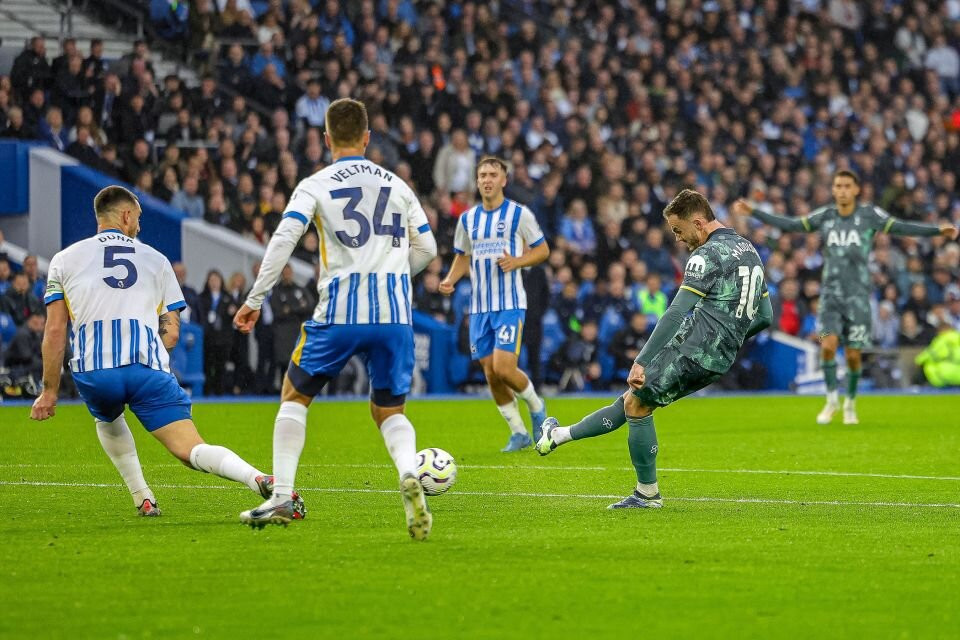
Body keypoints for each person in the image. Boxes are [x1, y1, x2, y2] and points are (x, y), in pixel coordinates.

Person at [233, 98, 438, 538]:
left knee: (294, 394)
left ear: (326, 139)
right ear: (367, 138)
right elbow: (429, 250)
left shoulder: (315, 184)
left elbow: (284, 239)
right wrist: (391, 274)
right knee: (388, 409)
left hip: (341, 309)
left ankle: (284, 494)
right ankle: (408, 470)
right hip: (394, 314)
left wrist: (255, 298)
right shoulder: (398, 184)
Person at [30, 186, 294, 518]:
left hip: (97, 371)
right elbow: (170, 331)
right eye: (138, 218)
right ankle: (256, 477)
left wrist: (49, 392)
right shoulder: (156, 259)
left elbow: (55, 331)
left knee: (107, 415)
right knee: (190, 449)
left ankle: (143, 496)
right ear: (126, 216)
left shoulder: (64, 260)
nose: (139, 225)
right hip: (147, 370)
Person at [536, 189, 773, 509]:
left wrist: (641, 360)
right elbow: (765, 317)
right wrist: (728, 337)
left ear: (699, 223)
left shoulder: (705, 255)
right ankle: (557, 435)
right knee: (633, 401)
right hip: (719, 358)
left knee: (637, 406)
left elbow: (676, 312)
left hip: (692, 348)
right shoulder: (749, 250)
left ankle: (647, 494)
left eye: (679, 230)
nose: (677, 239)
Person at [733, 170, 958, 424]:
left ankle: (850, 403)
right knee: (827, 347)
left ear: (856, 190)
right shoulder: (826, 216)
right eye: (837, 186)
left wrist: (937, 230)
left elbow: (901, 227)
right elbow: (792, 224)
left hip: (858, 297)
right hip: (830, 295)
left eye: (846, 186)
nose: (840, 190)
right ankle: (831, 401)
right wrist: (754, 213)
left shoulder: (869, 215)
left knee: (852, 354)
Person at [438, 157, 550, 451]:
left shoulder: (519, 214)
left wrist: (517, 261)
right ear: (477, 181)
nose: (487, 179)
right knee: (490, 372)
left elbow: (542, 250)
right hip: (479, 308)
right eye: (482, 175)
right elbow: (462, 255)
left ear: (504, 180)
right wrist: (450, 279)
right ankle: (518, 432)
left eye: (492, 175)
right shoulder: (468, 219)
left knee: (503, 366)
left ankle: (538, 408)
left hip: (510, 303)